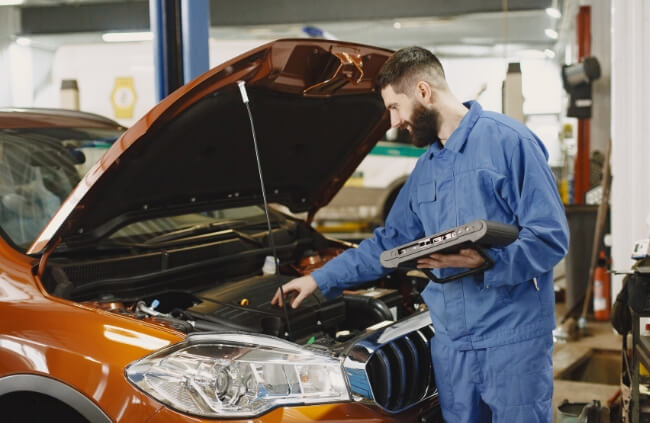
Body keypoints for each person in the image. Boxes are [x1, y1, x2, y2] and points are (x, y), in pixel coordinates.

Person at [271, 46, 569, 423]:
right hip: (451, 344)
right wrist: (318, 279)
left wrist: (487, 260)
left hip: (511, 339)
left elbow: (550, 236)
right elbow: (387, 242)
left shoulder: (509, 143)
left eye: (395, 107)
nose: (393, 122)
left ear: (424, 92)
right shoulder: (427, 169)